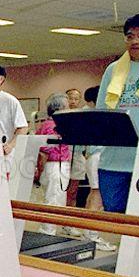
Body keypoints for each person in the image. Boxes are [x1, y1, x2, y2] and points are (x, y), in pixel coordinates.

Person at [95, 13, 139, 274]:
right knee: (117, 214)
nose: (134, 41)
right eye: (129, 36)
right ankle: (134, 261)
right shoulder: (114, 69)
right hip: (115, 157)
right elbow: (101, 108)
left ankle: (137, 269)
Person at [80, 86, 116, 251]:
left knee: (93, 194)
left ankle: (88, 232)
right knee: (97, 195)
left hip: (94, 156)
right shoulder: (95, 116)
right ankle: (92, 236)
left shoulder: (92, 116)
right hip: (97, 157)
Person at [35, 94, 71, 236]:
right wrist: (40, 169)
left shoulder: (46, 124)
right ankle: (47, 231)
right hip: (55, 165)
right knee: (54, 199)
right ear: (60, 108)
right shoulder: (53, 126)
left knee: (57, 198)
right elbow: (45, 150)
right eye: (67, 106)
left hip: (57, 165)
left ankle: (51, 229)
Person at [62, 88, 87, 237]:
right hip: (64, 155)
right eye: (70, 98)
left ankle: (68, 223)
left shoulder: (81, 117)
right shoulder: (61, 116)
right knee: (61, 191)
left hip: (77, 155)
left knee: (73, 191)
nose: (73, 101)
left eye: (76, 98)